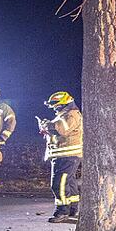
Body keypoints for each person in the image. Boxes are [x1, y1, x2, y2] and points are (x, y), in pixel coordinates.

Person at [38, 91, 82, 223]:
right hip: (64, 155)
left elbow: (62, 130)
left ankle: (62, 211)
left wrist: (48, 125)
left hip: (67, 155)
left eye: (56, 106)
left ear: (63, 104)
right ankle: (73, 209)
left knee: (59, 184)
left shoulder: (72, 114)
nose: (54, 108)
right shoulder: (65, 114)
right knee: (69, 182)